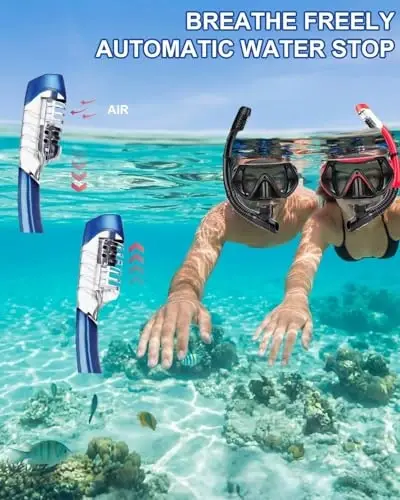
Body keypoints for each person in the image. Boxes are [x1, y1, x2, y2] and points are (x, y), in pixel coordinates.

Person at [137, 107, 318, 369]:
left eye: (278, 180)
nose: (265, 194)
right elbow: (194, 263)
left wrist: (296, 296)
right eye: (250, 181)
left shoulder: (307, 205)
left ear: (291, 181)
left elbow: (309, 252)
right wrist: (182, 295)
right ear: (233, 184)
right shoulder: (222, 219)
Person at [254, 103, 400, 366]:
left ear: (389, 181)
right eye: (344, 180)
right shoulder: (325, 222)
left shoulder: (396, 214)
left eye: (372, 178)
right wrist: (295, 297)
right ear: (331, 186)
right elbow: (304, 262)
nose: (359, 192)